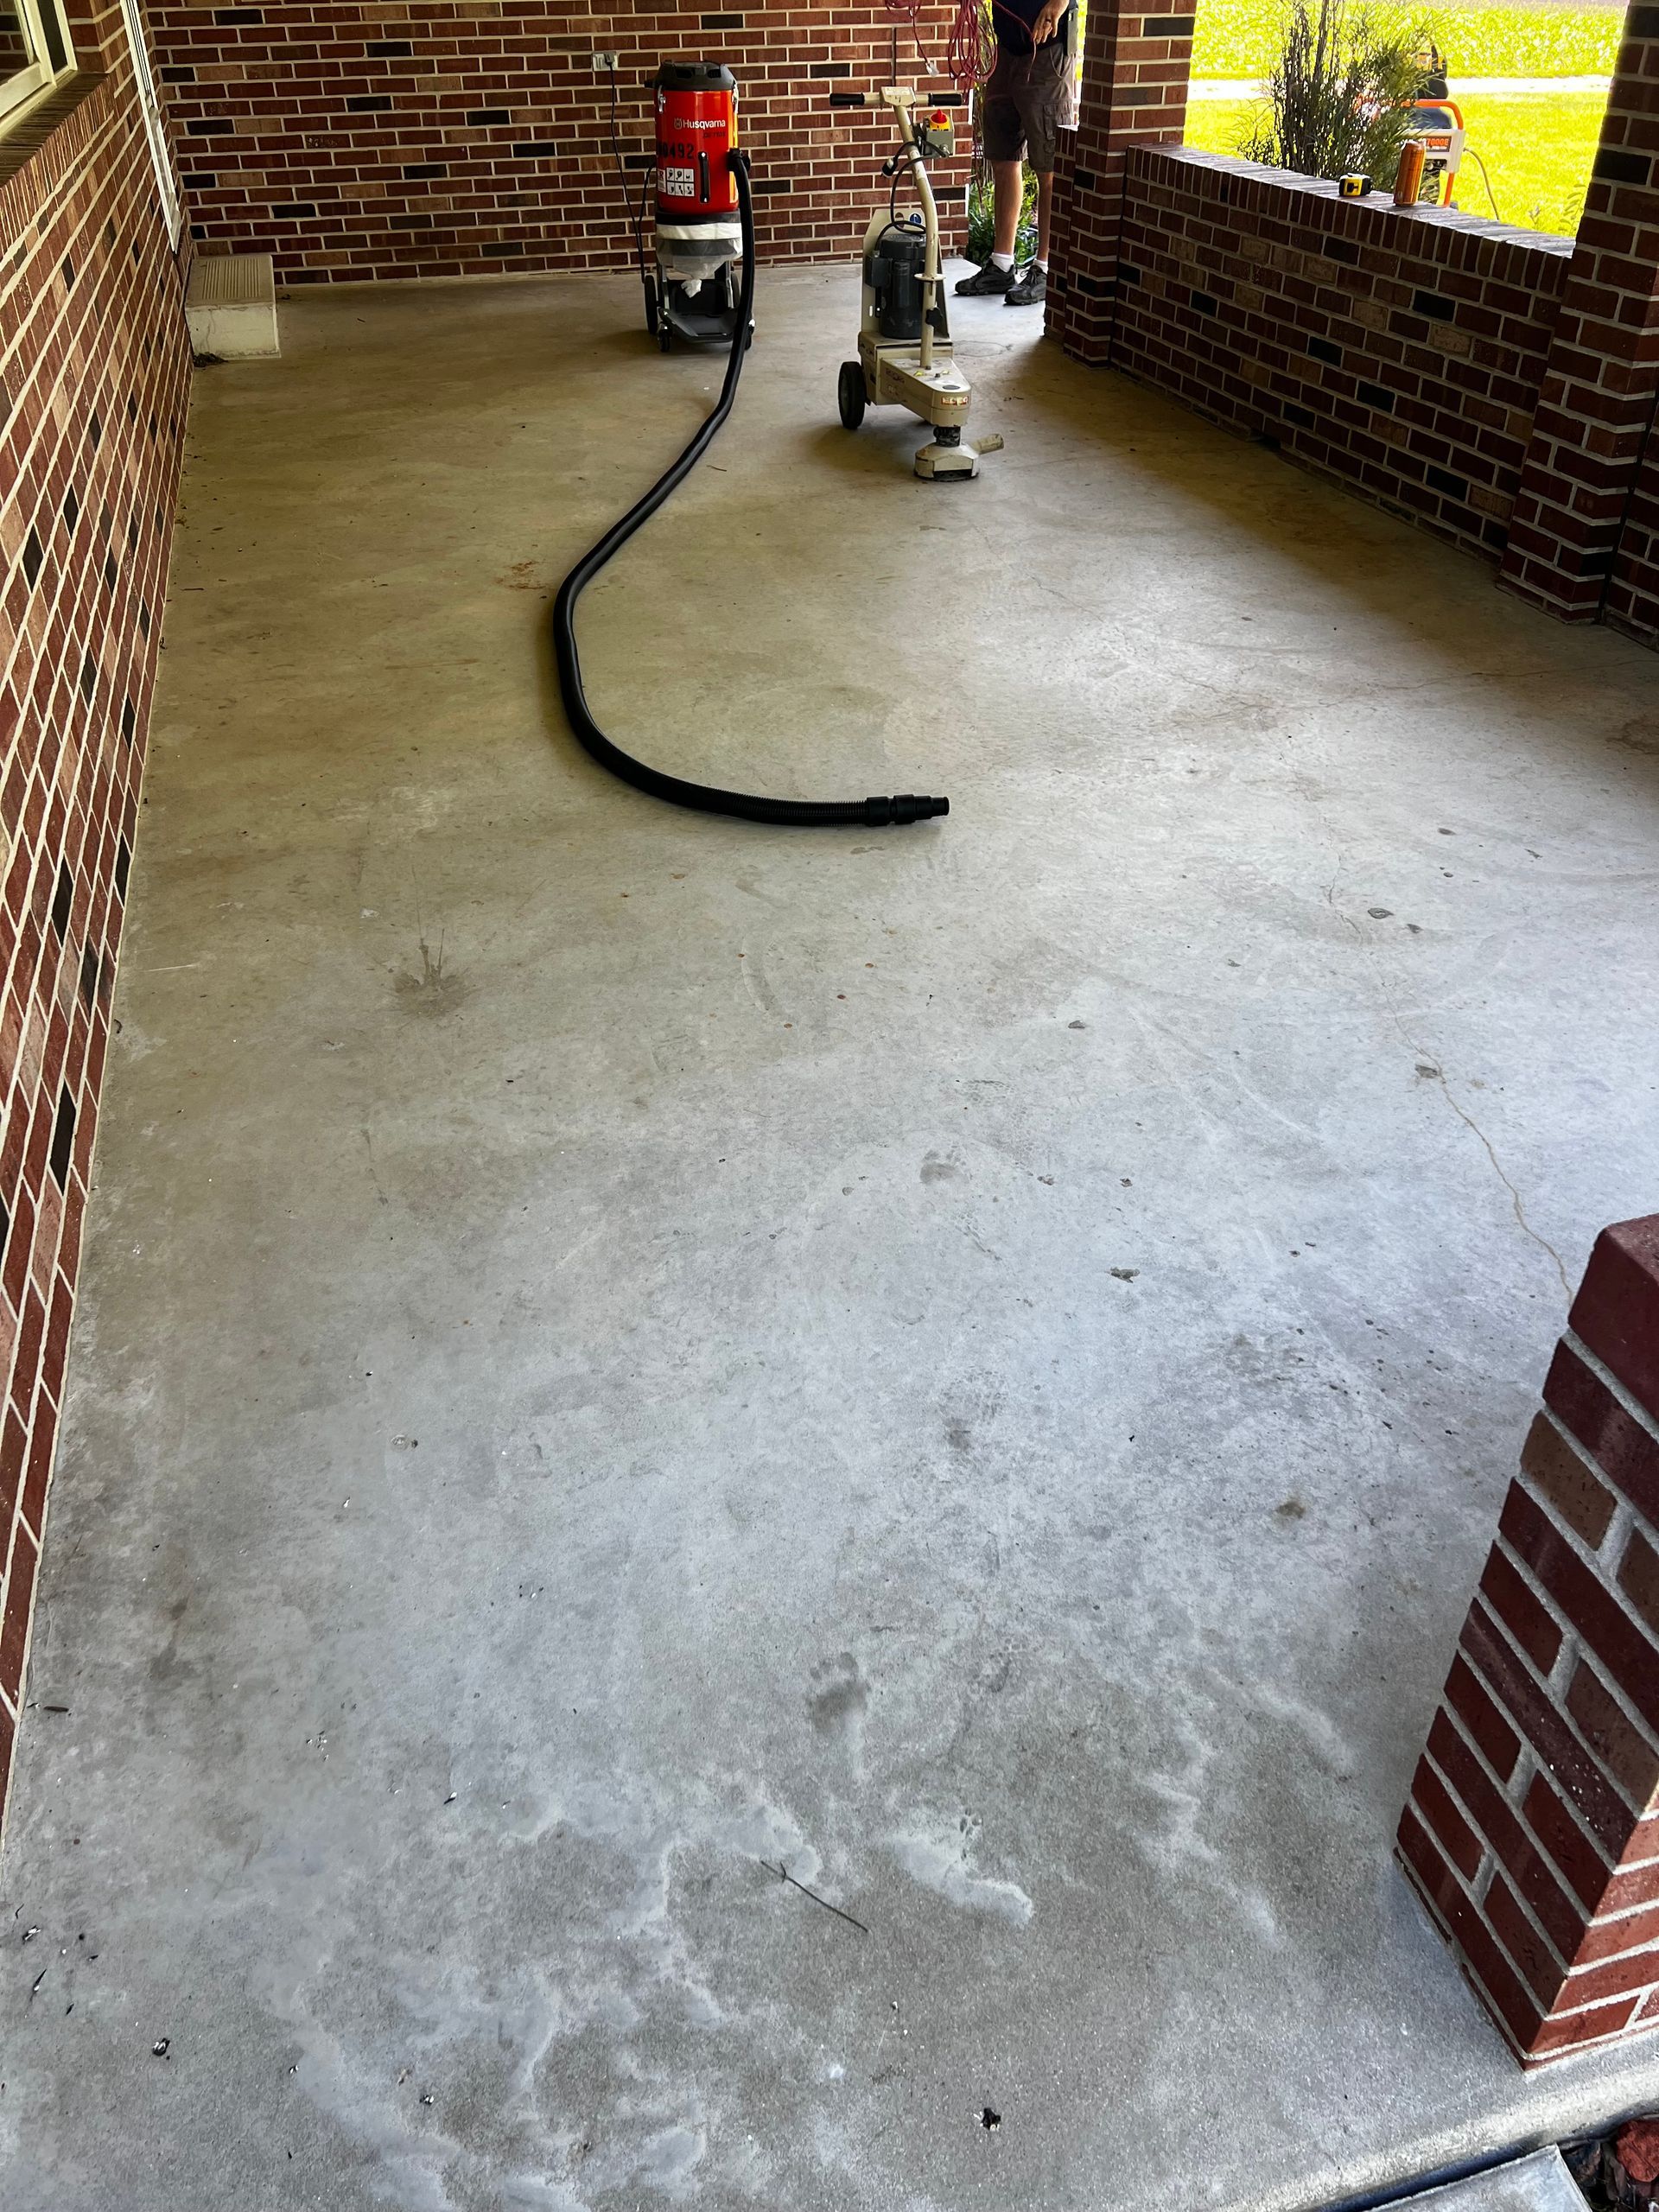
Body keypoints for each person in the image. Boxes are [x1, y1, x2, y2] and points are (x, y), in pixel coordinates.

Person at [955, 0, 1077, 308]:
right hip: (1006, 49)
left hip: (1048, 48)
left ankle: (1045, 269)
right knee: (1004, 158)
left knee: (1049, 167)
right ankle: (1001, 265)